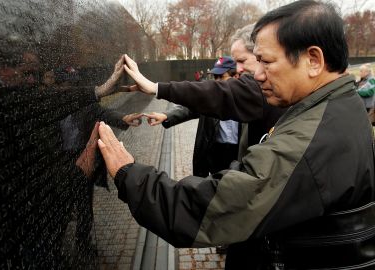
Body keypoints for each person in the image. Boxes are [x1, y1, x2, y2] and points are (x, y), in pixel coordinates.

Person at [98, 1, 375, 269]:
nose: (257, 75)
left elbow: (217, 207)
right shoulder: (338, 104)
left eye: (266, 61)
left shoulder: (314, 138)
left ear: (313, 60)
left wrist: (128, 174)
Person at [144, 57, 240, 177]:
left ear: (236, 76)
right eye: (215, 77)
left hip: (237, 153)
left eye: (221, 76)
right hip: (216, 150)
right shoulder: (211, 97)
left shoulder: (247, 100)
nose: (217, 81)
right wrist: (166, 115)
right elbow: (190, 107)